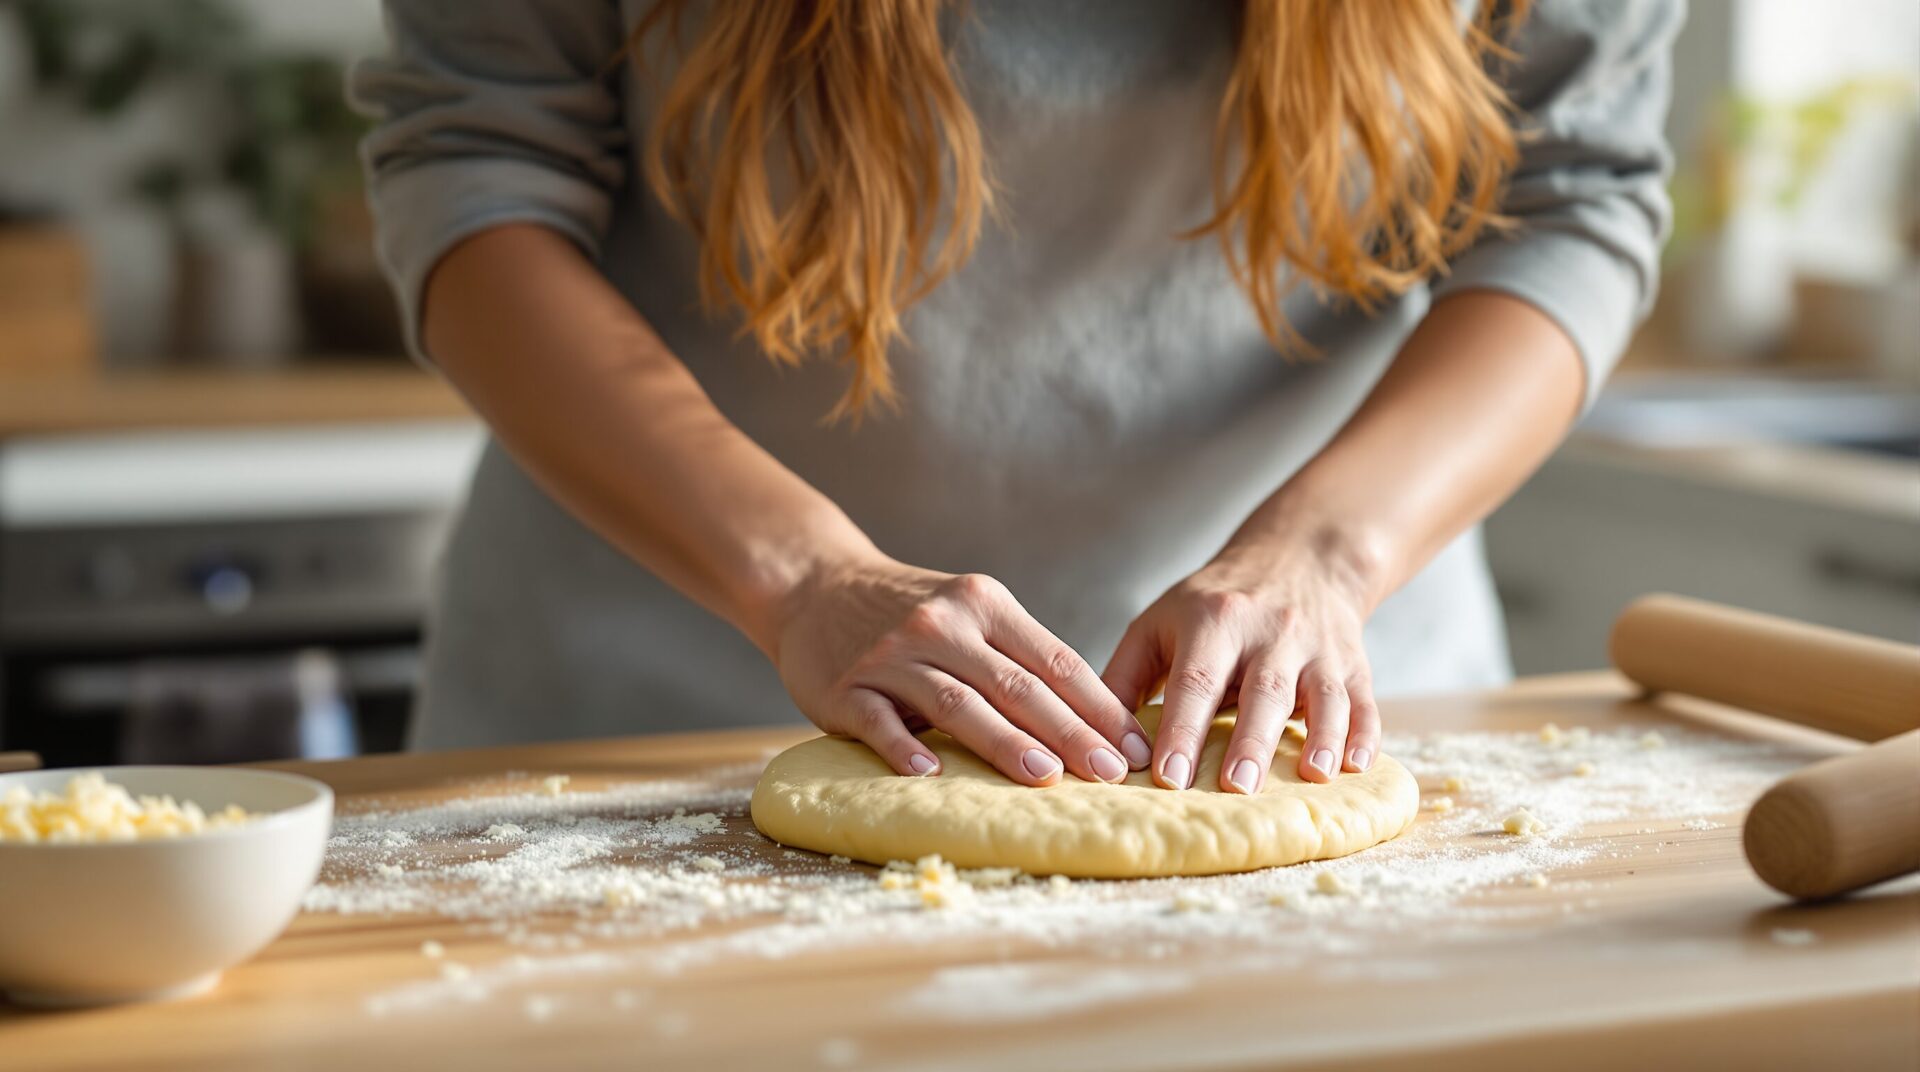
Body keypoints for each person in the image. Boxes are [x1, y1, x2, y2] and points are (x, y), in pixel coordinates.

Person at [352, 0, 1677, 794]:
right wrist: (802, 576)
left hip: (1277, 713)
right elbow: (478, 178)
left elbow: (1573, 198)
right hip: (654, 701)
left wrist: (1329, 554)